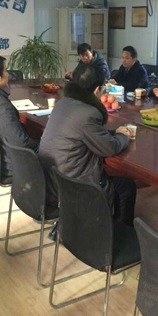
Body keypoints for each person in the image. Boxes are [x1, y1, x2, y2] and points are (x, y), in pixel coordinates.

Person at [39, 63, 136, 226]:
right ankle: (114, 233)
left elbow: (86, 133)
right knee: (127, 186)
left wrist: (113, 132)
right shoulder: (89, 113)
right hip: (73, 185)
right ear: (97, 90)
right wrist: (123, 136)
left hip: (51, 180)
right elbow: (110, 148)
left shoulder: (63, 102)